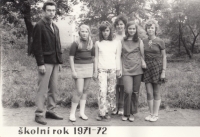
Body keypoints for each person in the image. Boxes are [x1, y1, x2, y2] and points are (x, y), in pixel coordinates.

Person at [32, 1, 63, 125]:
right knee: (42, 89)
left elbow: (58, 45)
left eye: (53, 10)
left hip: (55, 62)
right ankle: (39, 114)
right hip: (45, 63)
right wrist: (40, 63)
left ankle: (50, 111)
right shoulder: (39, 25)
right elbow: (37, 46)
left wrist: (60, 61)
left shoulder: (55, 26)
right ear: (44, 11)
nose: (51, 12)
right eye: (49, 10)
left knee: (54, 89)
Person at [94, 21, 121, 121]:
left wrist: (118, 69)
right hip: (102, 70)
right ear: (100, 32)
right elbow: (96, 58)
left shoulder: (116, 43)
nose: (105, 33)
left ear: (110, 31)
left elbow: (117, 57)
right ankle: (101, 113)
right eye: (103, 31)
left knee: (111, 92)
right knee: (102, 91)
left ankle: (107, 111)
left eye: (107, 30)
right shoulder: (98, 43)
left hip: (112, 70)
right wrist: (95, 71)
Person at [121, 21, 146, 122]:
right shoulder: (122, 40)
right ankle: (125, 112)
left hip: (137, 69)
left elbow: (142, 54)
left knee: (135, 92)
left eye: (133, 29)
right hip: (126, 69)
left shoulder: (139, 40)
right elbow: (119, 55)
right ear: (126, 29)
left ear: (136, 30)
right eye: (130, 28)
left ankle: (132, 113)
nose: (131, 30)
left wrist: (143, 62)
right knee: (127, 91)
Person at [69, 24, 95, 122]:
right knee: (79, 91)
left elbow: (93, 57)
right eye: (82, 31)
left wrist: (94, 70)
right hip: (78, 68)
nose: (84, 33)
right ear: (79, 32)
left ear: (89, 33)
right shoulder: (75, 43)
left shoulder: (91, 43)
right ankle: (72, 113)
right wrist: (73, 71)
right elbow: (71, 58)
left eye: (86, 31)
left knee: (85, 90)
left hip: (89, 67)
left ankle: (82, 113)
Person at [143, 19, 167, 122]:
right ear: (146, 29)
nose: (150, 29)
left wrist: (163, 71)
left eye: (152, 27)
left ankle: (156, 114)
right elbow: (141, 54)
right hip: (147, 68)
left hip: (157, 67)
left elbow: (164, 56)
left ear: (155, 29)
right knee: (149, 92)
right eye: (148, 28)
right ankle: (150, 113)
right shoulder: (143, 41)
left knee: (156, 91)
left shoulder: (160, 41)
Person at [112, 14, 128, 115]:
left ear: (124, 25)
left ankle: (121, 106)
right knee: (114, 85)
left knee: (122, 85)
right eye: (117, 24)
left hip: (124, 62)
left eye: (121, 24)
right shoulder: (112, 36)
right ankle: (115, 106)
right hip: (112, 62)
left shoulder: (127, 36)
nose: (119, 26)